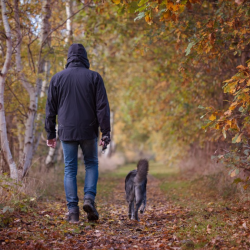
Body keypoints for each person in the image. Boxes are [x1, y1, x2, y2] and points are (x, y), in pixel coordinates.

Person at [45, 43, 110, 222]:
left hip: (67, 131)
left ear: (68, 57)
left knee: (70, 169)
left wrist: (50, 133)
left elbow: (50, 108)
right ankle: (89, 198)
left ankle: (73, 212)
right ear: (85, 57)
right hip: (89, 129)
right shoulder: (94, 77)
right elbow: (102, 108)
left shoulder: (57, 78)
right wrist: (106, 132)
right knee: (91, 164)